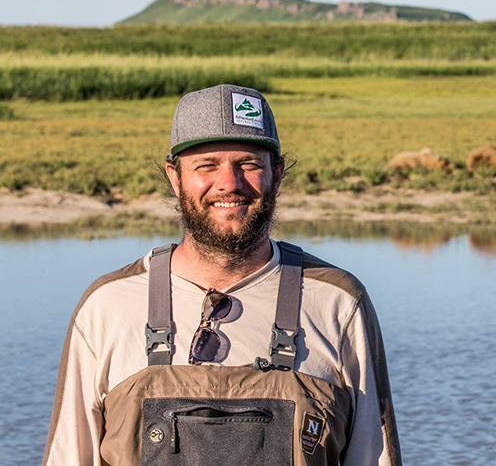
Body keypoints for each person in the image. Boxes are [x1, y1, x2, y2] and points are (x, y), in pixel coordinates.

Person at [42, 84, 401, 465]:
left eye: (247, 164)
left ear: (276, 174)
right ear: (175, 177)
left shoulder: (338, 303)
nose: (229, 183)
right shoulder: (107, 307)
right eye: (206, 165)